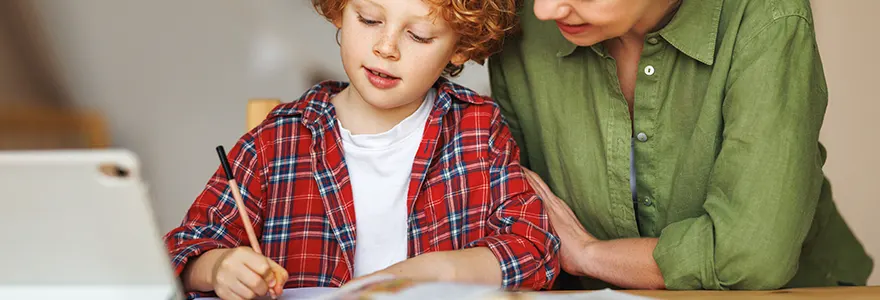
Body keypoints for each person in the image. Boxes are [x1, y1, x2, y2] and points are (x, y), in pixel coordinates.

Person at [164, 0, 560, 298]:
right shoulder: (279, 138)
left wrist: (420, 274)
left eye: (418, 35)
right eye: (369, 20)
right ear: (340, 11)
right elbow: (183, 250)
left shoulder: (476, 129)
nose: (385, 48)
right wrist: (219, 268)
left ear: (460, 46)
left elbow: (533, 248)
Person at [488, 0, 873, 291]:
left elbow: (752, 257)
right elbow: (519, 224)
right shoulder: (521, 25)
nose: (544, 9)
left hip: (794, 293)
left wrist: (589, 255)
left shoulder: (766, 15)